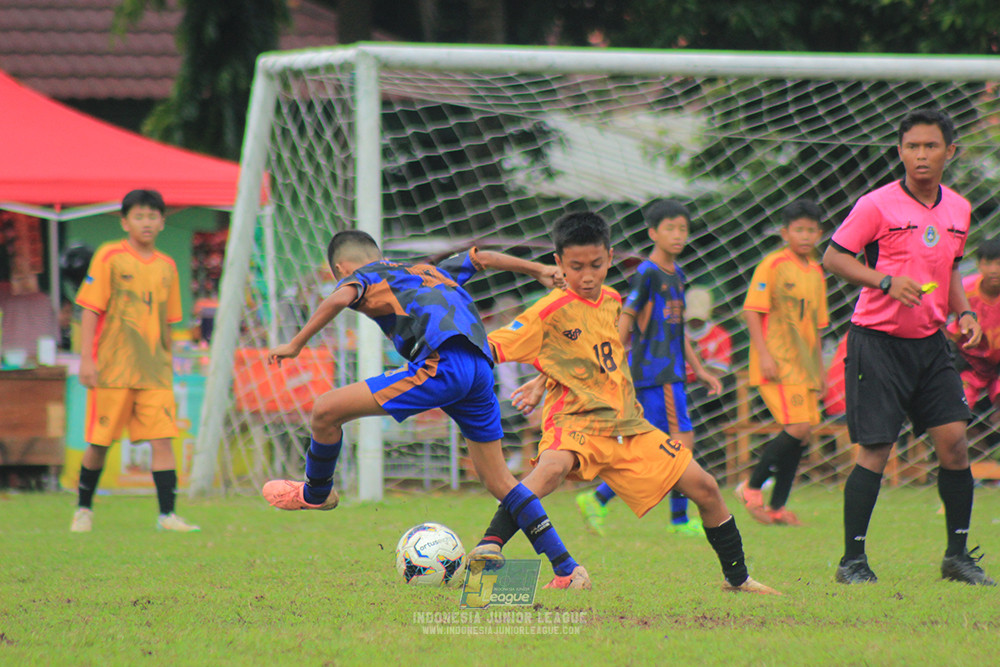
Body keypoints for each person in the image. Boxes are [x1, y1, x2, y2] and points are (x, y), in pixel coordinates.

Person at [467, 211, 778, 594]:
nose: (587, 276)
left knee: (707, 488)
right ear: (558, 262)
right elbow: (488, 347)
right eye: (576, 267)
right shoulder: (547, 311)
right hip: (575, 421)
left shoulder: (613, 300)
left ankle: (738, 579)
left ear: (610, 257)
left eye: (596, 265)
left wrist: (541, 378)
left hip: (627, 424)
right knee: (549, 472)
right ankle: (490, 544)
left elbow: (589, 353)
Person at [261, 231, 588, 589]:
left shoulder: (364, 276)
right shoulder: (428, 270)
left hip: (442, 366)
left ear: (341, 268)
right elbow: (481, 257)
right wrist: (538, 269)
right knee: (500, 482)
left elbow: (340, 297)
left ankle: (316, 492)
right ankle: (567, 569)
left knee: (325, 410)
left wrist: (296, 343)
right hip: (480, 368)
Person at [823, 107, 994, 586]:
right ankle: (852, 562)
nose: (921, 155)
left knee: (955, 443)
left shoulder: (958, 208)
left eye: (930, 146)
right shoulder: (876, 205)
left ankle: (957, 557)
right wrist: (884, 280)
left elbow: (951, 268)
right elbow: (833, 257)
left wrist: (964, 313)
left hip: (931, 343)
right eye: (912, 146)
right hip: (877, 342)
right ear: (900, 151)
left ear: (950, 152)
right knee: (876, 449)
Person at [574, 200, 722, 537]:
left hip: (672, 374)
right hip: (656, 374)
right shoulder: (647, 272)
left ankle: (602, 499)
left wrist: (699, 369)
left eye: (683, 228)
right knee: (678, 444)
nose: (678, 235)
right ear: (653, 233)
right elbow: (628, 315)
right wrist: (610, 361)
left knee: (659, 448)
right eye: (670, 228)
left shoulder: (677, 275)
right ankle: (675, 518)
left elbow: (678, 328)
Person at [70, 189, 199, 533]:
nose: (146, 223)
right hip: (112, 371)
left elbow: (170, 321)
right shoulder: (109, 256)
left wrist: (172, 360)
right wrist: (87, 360)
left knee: (163, 440)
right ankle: (83, 510)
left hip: (155, 373)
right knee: (100, 443)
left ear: (162, 222)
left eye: (152, 216)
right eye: (139, 216)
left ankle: (167, 515)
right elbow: (89, 309)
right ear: (125, 222)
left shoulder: (167, 266)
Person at [735, 199, 829, 526]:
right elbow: (752, 311)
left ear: (819, 233)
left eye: (811, 230)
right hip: (777, 361)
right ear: (785, 232)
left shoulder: (816, 271)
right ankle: (751, 487)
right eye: (798, 230)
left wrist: (820, 372)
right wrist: (763, 355)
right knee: (797, 428)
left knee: (802, 435)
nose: (805, 236)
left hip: (804, 367)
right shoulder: (773, 264)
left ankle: (777, 507)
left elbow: (817, 327)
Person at [946, 238, 1000, 423]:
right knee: (955, 413)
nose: (993, 270)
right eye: (987, 263)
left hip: (996, 360)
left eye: (998, 264)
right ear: (978, 265)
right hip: (967, 359)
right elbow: (939, 317)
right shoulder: (965, 290)